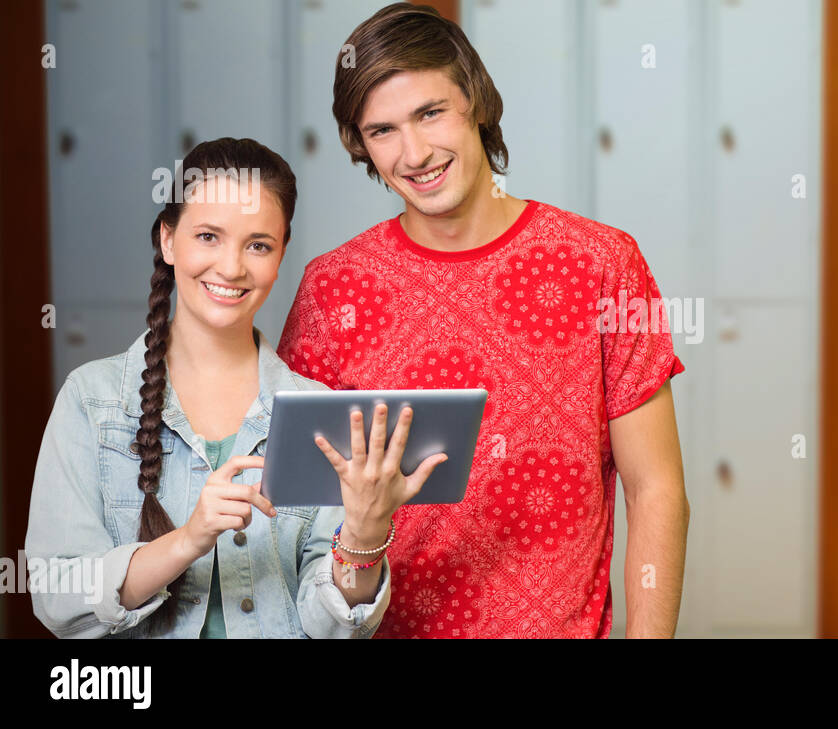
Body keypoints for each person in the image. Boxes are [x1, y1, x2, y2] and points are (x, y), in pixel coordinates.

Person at [277, 3, 690, 638]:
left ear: (475, 101)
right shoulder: (334, 289)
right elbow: (301, 516)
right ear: (360, 144)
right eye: (383, 130)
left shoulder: (603, 263)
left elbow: (656, 488)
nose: (414, 153)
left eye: (430, 113)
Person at [26, 137, 444, 638]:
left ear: (282, 251)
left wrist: (366, 535)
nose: (231, 267)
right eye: (208, 236)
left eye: (258, 245)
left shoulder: (318, 411)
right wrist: (189, 539)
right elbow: (58, 599)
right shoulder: (90, 400)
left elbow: (335, 629)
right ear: (167, 239)